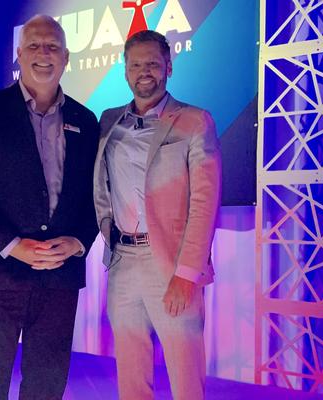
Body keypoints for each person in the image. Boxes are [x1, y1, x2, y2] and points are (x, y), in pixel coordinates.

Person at [0, 14, 99, 400]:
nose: (43, 54)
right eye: (34, 45)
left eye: (52, 46)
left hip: (59, 278)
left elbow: (95, 196)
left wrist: (79, 242)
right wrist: (13, 245)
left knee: (47, 387)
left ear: (66, 57)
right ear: (19, 55)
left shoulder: (85, 120)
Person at [93, 30, 221, 400]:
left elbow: (205, 203)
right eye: (136, 65)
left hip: (171, 263)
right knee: (131, 375)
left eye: (152, 63)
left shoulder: (195, 121)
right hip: (122, 262)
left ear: (168, 67)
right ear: (125, 71)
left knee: (185, 374)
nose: (144, 71)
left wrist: (187, 273)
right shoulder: (109, 121)